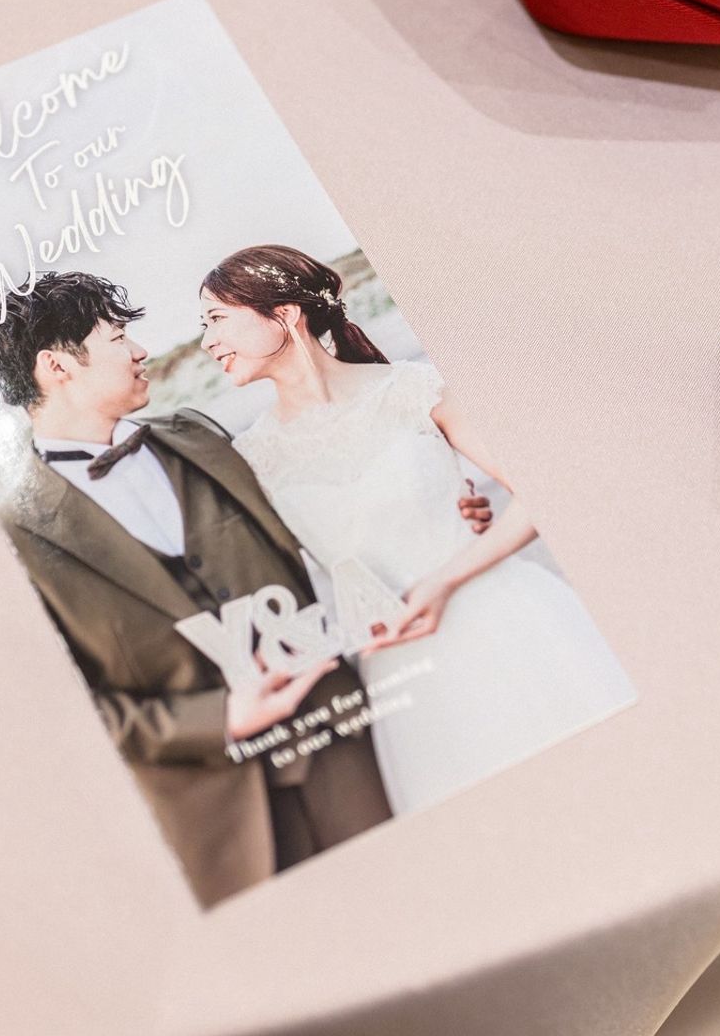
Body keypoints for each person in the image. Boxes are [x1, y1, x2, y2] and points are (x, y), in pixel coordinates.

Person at [0, 271, 468, 905]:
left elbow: (324, 509)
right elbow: (60, 715)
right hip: (215, 818)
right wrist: (219, 719)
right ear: (57, 366)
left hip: (347, 746)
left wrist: (444, 501)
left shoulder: (198, 436)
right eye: (118, 338)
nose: (141, 351)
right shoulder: (10, 539)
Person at [200, 245, 635, 814]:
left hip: (509, 623)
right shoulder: (252, 458)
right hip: (404, 672)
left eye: (216, 319)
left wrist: (444, 579)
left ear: (284, 314)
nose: (208, 342)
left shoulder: (411, 389)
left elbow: (540, 491)